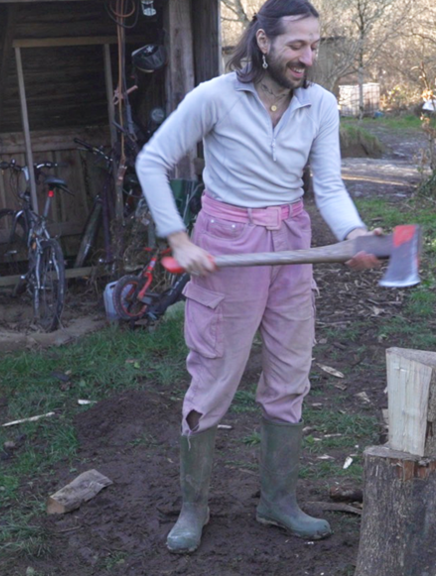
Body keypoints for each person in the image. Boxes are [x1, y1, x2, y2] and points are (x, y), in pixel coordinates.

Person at [136, 0, 380, 554]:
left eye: (315, 45)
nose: (308, 57)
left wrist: (354, 233)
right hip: (227, 243)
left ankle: (278, 502)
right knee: (216, 377)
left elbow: (328, 184)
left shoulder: (320, 105)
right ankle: (193, 506)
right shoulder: (214, 97)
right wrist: (178, 238)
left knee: (291, 374)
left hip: (292, 245)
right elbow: (153, 161)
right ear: (264, 42)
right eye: (297, 45)